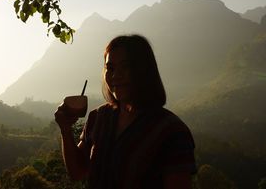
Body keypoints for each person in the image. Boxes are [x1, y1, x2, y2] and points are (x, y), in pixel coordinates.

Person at [55, 34, 197, 189]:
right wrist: (65, 130)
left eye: (126, 66)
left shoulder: (171, 131)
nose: (116, 75)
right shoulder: (98, 118)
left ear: (144, 70)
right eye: (110, 68)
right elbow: (77, 172)